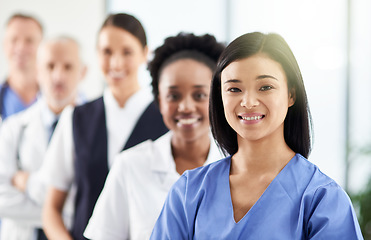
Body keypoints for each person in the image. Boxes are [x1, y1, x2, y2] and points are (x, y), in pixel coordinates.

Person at [150, 32, 364, 239]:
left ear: (291, 94)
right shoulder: (189, 191)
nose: (248, 102)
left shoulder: (322, 198)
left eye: (265, 87)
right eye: (234, 89)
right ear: (219, 97)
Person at [83, 32, 225, 240]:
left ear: (218, 98)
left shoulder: (237, 164)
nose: (186, 107)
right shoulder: (129, 166)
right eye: (173, 96)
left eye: (199, 95)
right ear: (159, 101)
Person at [42, 13, 168, 240]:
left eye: (127, 52)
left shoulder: (166, 120)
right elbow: (51, 209)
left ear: (145, 54)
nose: (116, 63)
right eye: (107, 52)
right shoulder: (75, 118)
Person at [0, 36, 86, 240]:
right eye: (50, 66)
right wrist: (60, 212)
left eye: (68, 67)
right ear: (38, 72)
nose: (58, 76)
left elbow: (94, 198)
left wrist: (29, 184)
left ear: (83, 72)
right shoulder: (13, 128)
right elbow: (2, 199)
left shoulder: (94, 128)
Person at [0, 13, 43, 124]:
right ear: (4, 45)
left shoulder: (66, 98)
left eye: (29, 40)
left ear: (43, 47)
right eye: (14, 40)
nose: (21, 47)